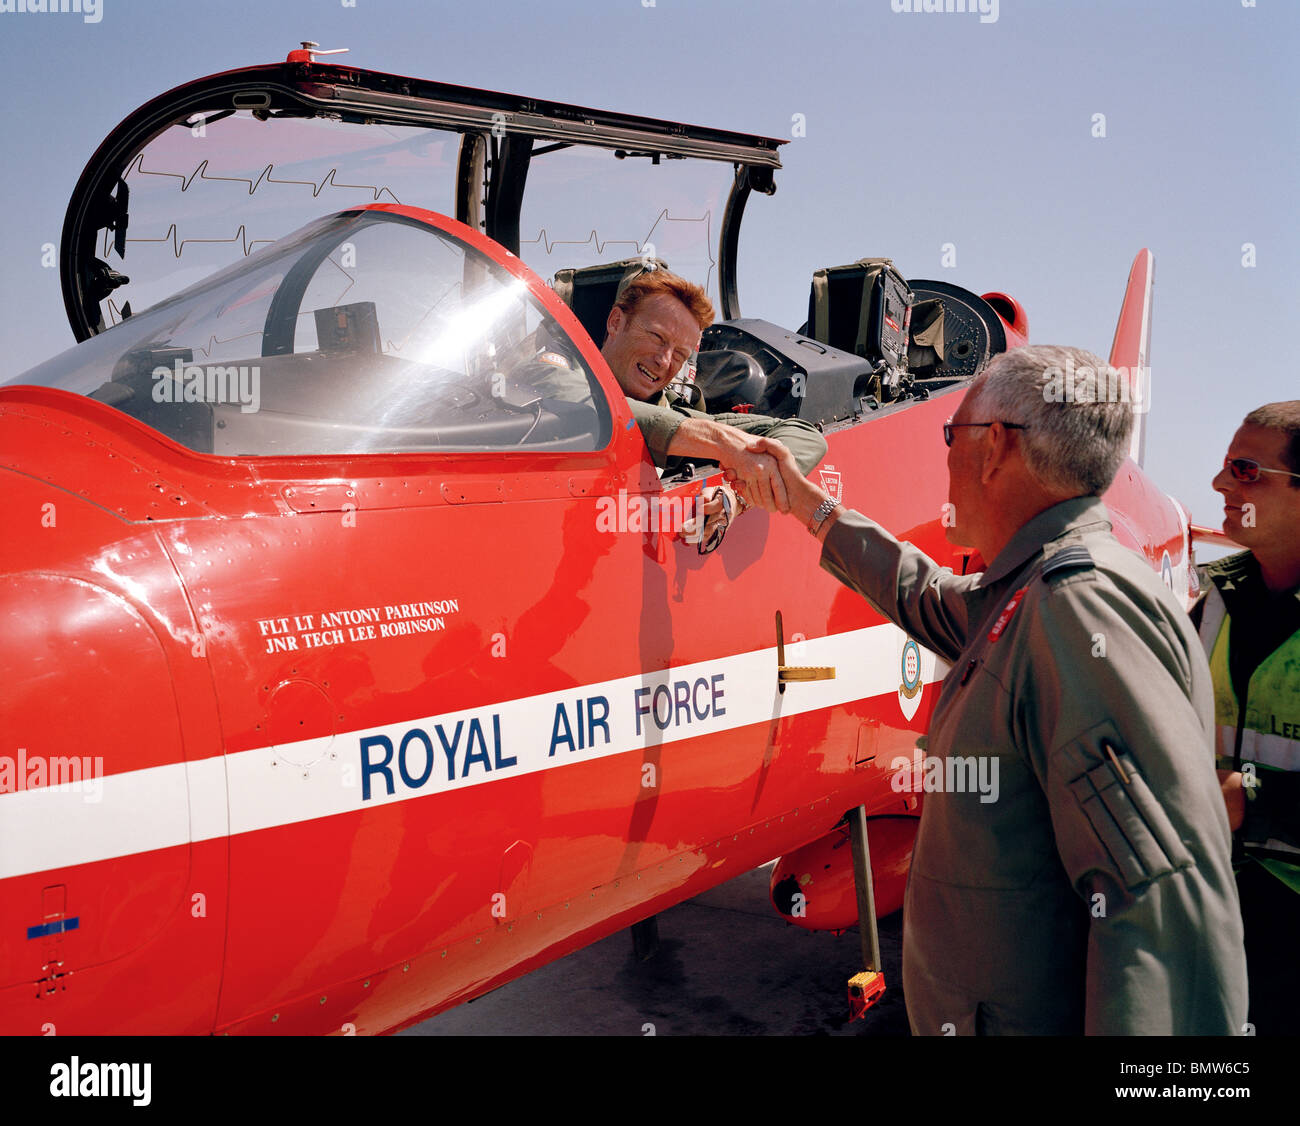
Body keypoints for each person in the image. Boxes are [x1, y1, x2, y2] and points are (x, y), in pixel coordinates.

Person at [753, 344, 1247, 1035]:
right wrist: (812, 509)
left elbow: (1162, 901)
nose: (946, 460)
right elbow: (926, 597)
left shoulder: (1080, 607)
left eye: (950, 435)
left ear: (992, 448)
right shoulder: (1032, 592)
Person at [520, 270, 827, 544]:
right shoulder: (553, 369)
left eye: (679, 354)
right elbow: (588, 409)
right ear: (616, 322)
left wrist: (737, 495)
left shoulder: (678, 412)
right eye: (656, 337)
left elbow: (805, 435)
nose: (664, 361)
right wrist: (721, 443)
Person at [1193, 401, 1300, 1036]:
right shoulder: (1211, 604)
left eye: (1246, 470)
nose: (1219, 484)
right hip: (1215, 912)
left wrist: (1249, 800)